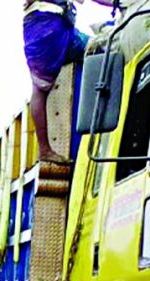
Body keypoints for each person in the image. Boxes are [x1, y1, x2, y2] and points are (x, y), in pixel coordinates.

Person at [24, 0, 114, 164]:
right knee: (40, 88)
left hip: (59, 26)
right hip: (46, 25)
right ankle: (44, 150)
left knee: (96, 47)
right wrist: (118, 3)